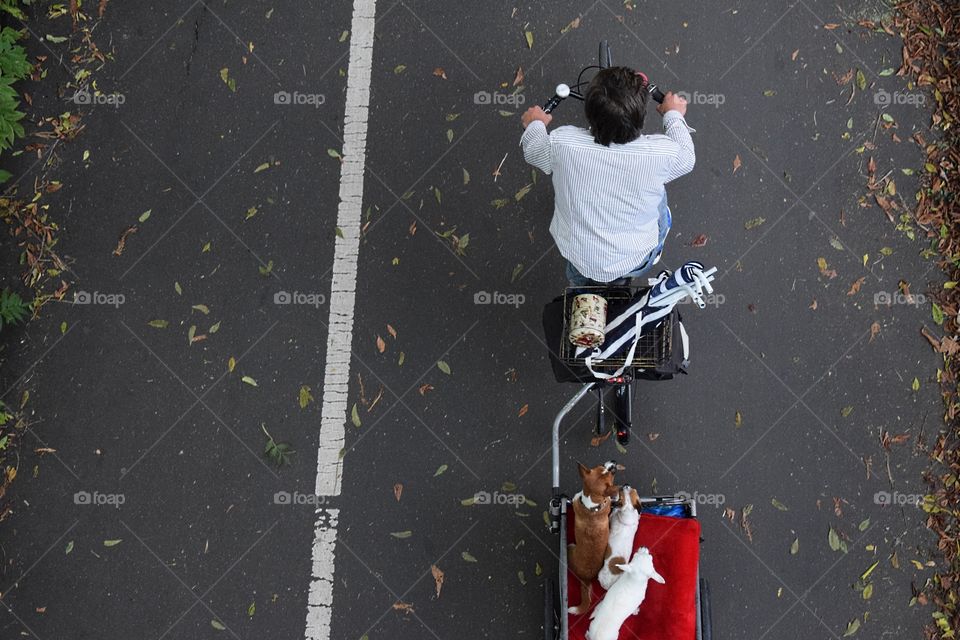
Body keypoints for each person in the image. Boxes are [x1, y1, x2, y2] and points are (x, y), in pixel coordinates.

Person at [520, 67, 695, 286]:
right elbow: (687, 157)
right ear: (641, 114)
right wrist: (673, 115)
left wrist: (535, 123)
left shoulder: (562, 143)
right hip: (635, 256)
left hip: (579, 257)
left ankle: (581, 287)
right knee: (660, 197)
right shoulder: (662, 154)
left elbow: (533, 149)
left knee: (580, 279)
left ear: (589, 112)